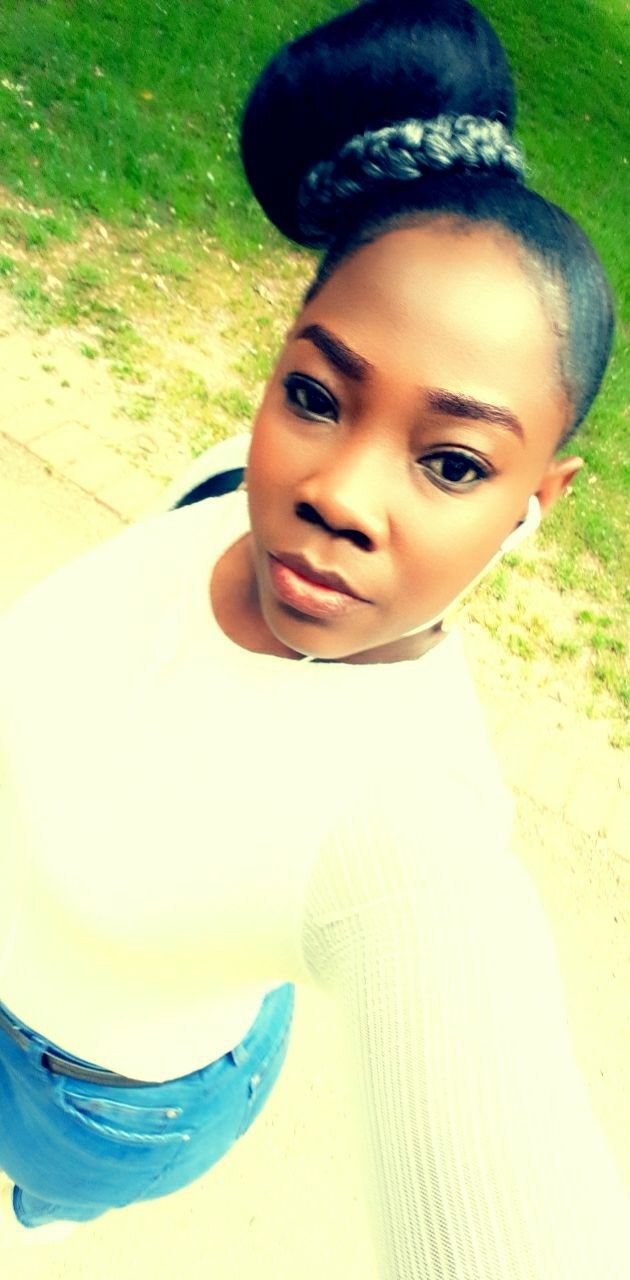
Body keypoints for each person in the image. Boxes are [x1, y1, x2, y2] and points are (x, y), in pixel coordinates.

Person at [0, 1, 628, 1274]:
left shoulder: (406, 818)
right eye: (316, 393)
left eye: (452, 461)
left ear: (535, 502)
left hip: (97, 1102)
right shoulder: (224, 481)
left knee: (43, 1203)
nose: (334, 490)